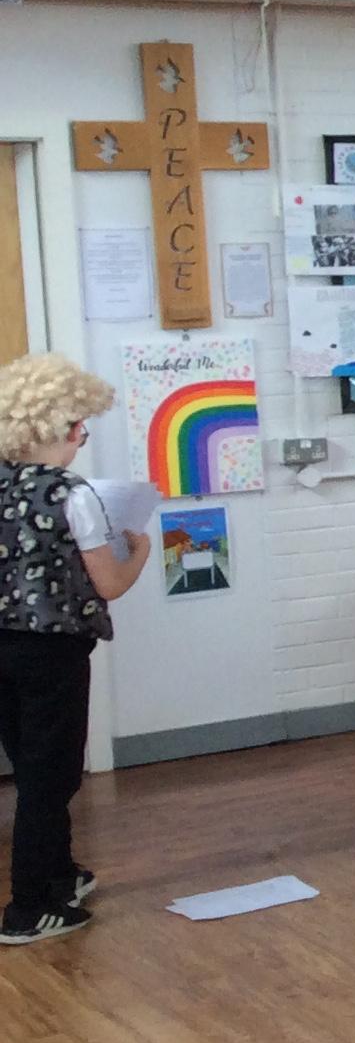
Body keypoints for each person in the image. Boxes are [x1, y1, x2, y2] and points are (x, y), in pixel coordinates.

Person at [0, 356, 150, 944]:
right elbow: (108, 584)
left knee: (33, 766)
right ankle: (29, 907)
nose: (82, 435)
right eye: (78, 425)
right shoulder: (72, 494)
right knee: (51, 775)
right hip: (52, 650)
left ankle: (60, 874)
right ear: (57, 429)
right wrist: (139, 552)